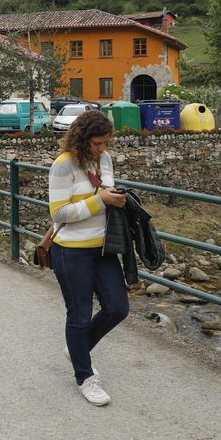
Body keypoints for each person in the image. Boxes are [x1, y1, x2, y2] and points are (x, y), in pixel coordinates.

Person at [48, 109, 129, 406]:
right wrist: (100, 201)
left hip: (103, 247)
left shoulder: (104, 159)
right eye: (96, 144)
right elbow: (58, 214)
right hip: (71, 251)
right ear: (82, 139)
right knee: (79, 315)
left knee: (118, 308)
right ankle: (85, 377)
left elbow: (104, 193)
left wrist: (116, 197)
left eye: (105, 142)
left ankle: (77, 348)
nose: (102, 149)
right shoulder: (63, 166)